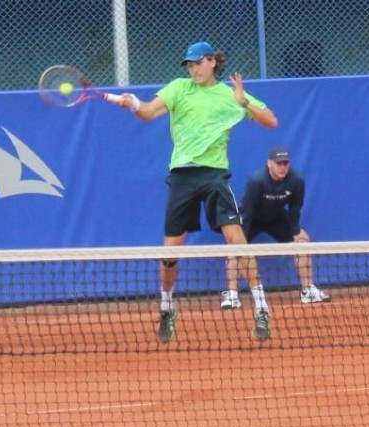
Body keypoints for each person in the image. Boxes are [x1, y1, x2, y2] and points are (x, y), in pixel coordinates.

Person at [114, 41, 278, 342]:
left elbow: (271, 121)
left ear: (213, 61)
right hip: (182, 177)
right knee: (170, 255)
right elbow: (149, 112)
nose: (193, 69)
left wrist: (243, 103)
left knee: (237, 241)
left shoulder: (231, 96)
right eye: (189, 65)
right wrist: (134, 104)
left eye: (198, 63)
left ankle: (261, 308)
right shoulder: (179, 88)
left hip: (215, 174)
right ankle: (166, 308)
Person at [222, 146, 330, 308]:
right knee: (234, 249)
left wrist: (295, 232)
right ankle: (232, 295)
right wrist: (241, 241)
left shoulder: (297, 181)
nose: (283, 167)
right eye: (279, 163)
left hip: (276, 218)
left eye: (286, 163)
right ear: (269, 164)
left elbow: (295, 209)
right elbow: (247, 212)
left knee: (303, 242)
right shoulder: (256, 180)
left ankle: (307, 290)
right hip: (251, 218)